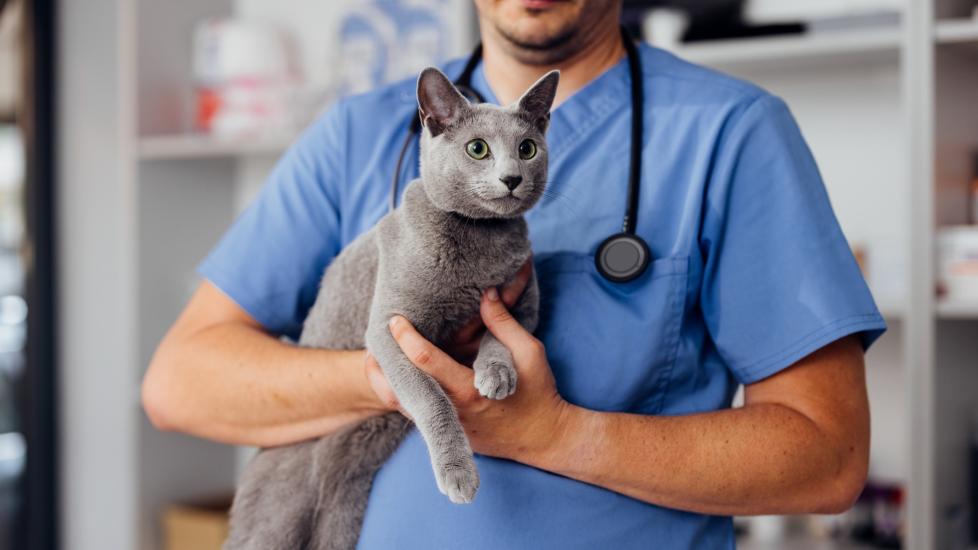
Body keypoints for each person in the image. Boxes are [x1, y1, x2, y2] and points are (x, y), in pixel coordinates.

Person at [142, 0, 887, 547]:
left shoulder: (732, 134)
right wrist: (387, 378)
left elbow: (829, 459)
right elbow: (181, 383)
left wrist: (553, 435)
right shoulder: (357, 135)